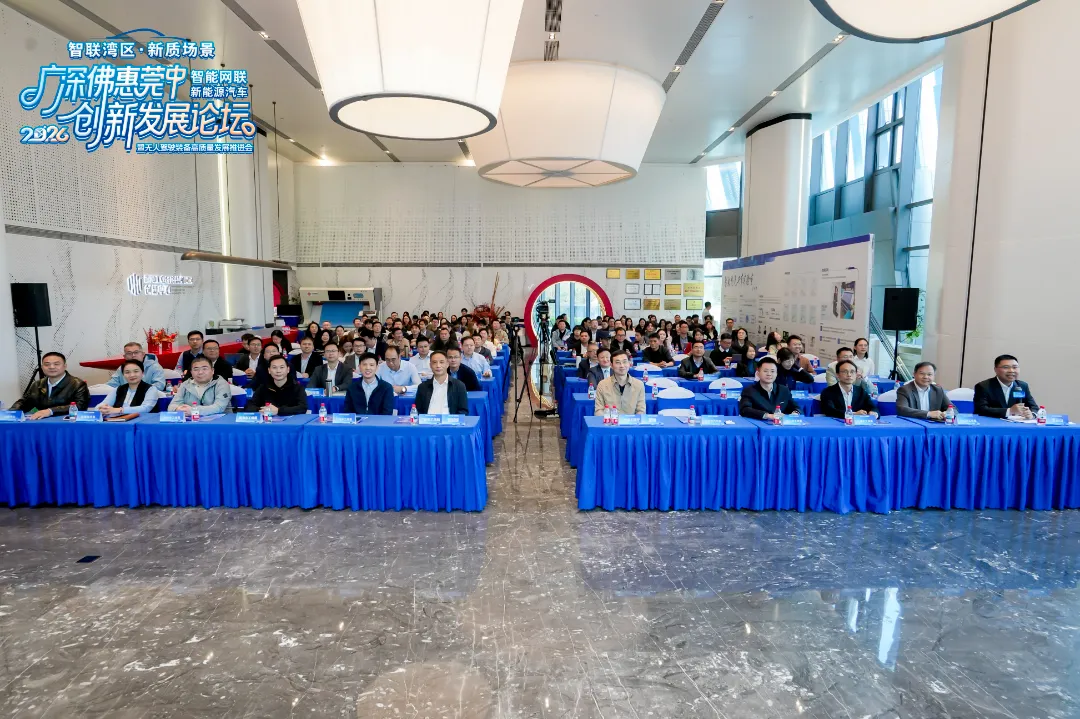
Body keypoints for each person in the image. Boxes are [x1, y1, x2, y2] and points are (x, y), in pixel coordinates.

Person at [11, 352, 90, 419]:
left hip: (66, 424)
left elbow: (80, 406)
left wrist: (50, 411)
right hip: (40, 423)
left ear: (65, 366)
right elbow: (24, 403)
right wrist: (10, 413)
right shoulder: (37, 384)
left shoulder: (77, 384)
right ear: (42, 367)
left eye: (56, 364)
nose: (51, 367)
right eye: (47, 364)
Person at [974, 354, 1038, 419]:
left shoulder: (1022, 386)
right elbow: (981, 409)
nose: (1011, 371)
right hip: (992, 422)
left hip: (1016, 423)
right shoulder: (983, 386)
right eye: (1006, 367)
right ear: (995, 370)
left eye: (1015, 367)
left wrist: (1032, 414)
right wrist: (1009, 411)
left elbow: (1034, 407)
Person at [243, 356, 307, 416]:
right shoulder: (263, 387)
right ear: (269, 370)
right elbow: (249, 406)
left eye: (282, 367)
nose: (278, 371)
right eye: (274, 367)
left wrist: (278, 411)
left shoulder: (297, 388)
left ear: (288, 369)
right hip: (268, 422)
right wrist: (264, 410)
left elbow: (302, 408)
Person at [593, 350, 645, 416]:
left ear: (629, 363)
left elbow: (641, 411)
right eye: (618, 362)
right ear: (611, 365)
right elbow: (598, 411)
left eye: (624, 362)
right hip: (610, 421)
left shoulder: (639, 385)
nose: (622, 366)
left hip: (631, 422)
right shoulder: (602, 385)